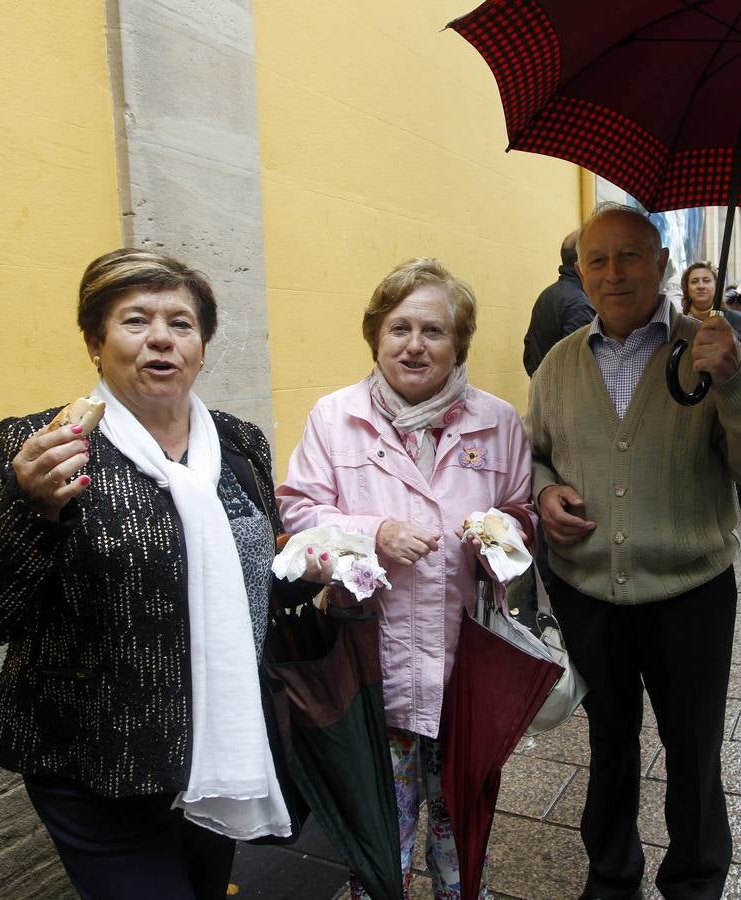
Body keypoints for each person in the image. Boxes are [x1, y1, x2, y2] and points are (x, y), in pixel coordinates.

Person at [0, 248, 292, 900]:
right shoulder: (35, 445)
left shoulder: (240, 445)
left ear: (202, 348)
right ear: (95, 343)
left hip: (217, 752)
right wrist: (29, 508)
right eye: (135, 320)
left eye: (181, 323)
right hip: (94, 768)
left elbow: (253, 577)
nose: (161, 337)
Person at [528, 202, 741, 899]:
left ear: (662, 264)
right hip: (590, 592)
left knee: (693, 750)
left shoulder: (711, 347)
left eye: (630, 256)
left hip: (689, 593)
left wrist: (732, 378)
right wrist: (545, 494)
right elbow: (535, 454)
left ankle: (695, 882)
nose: (613, 273)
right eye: (597, 260)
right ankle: (611, 878)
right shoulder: (558, 364)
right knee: (609, 746)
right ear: (580, 272)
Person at [276, 257, 534, 899]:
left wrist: (497, 531)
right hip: (372, 663)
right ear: (375, 334)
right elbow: (299, 514)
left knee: (460, 823)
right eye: (399, 328)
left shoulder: (497, 420)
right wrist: (373, 534)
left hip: (462, 662)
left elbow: (523, 511)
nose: (414, 345)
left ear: (459, 343)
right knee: (379, 830)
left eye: (434, 331)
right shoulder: (335, 416)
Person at [523, 229, 596, 377]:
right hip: (567, 395)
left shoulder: (546, 295)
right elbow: (579, 364)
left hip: (544, 389)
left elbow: (529, 351)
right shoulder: (579, 304)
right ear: (582, 263)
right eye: (598, 259)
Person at [680, 260, 741, 358]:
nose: (701, 286)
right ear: (687, 288)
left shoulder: (736, 320)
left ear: (717, 286)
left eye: (706, 280)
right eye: (694, 281)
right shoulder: (679, 323)